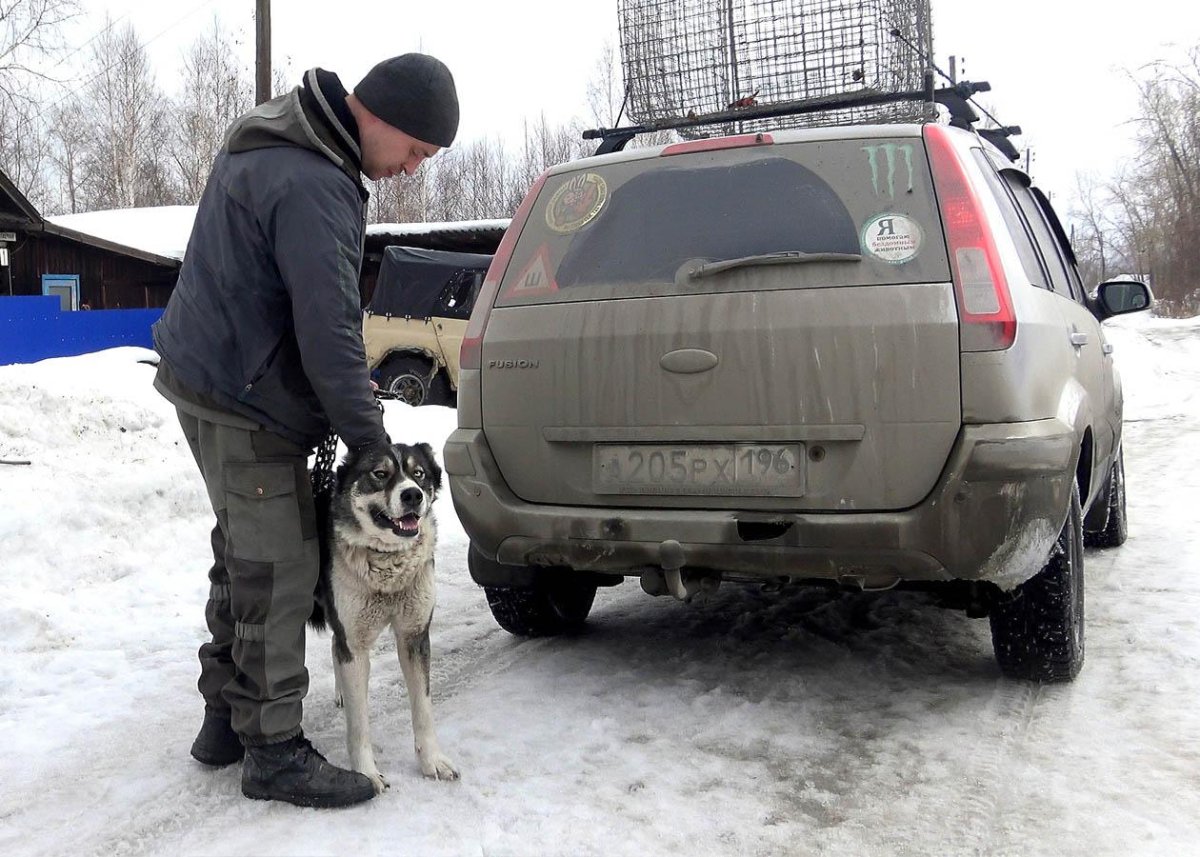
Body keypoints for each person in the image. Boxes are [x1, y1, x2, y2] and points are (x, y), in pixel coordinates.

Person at [152, 54, 459, 808]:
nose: (411, 169)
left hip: (218, 375)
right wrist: (369, 439)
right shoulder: (315, 179)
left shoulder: (285, 139)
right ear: (381, 115)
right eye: (416, 151)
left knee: (245, 551)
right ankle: (273, 749)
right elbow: (327, 333)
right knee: (280, 566)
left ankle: (224, 717)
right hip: (247, 395)